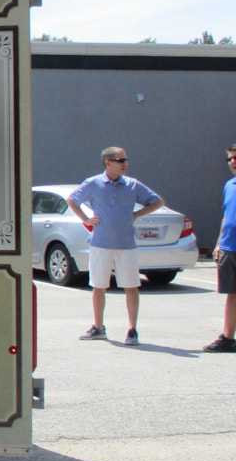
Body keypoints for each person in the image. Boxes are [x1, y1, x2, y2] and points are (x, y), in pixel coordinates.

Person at [68, 146, 165, 346]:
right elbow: (72, 199)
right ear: (108, 162)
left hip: (126, 244)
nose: (125, 164)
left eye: (126, 160)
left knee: (131, 286)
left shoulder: (132, 185)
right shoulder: (93, 183)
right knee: (99, 286)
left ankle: (132, 330)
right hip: (100, 244)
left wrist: (137, 214)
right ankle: (98, 327)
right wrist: (86, 219)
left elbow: (157, 202)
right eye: (121, 160)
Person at [203, 145, 236, 352]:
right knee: (232, 294)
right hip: (229, 247)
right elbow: (226, 216)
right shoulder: (229, 185)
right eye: (230, 158)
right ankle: (227, 338)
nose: (233, 162)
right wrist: (218, 243)